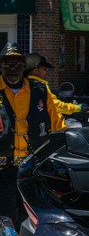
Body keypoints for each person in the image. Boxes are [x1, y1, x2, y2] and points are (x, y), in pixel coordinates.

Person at [0, 44, 64, 224]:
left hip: (32, 166)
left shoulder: (40, 90)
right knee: (6, 217)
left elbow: (58, 125)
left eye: (17, 64)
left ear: (24, 67)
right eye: (8, 64)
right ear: (1, 66)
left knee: (29, 217)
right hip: (2, 168)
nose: (13, 69)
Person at [25, 52, 84, 123]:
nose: (47, 73)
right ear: (36, 71)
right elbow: (56, 105)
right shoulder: (39, 87)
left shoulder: (25, 84)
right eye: (45, 69)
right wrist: (78, 108)